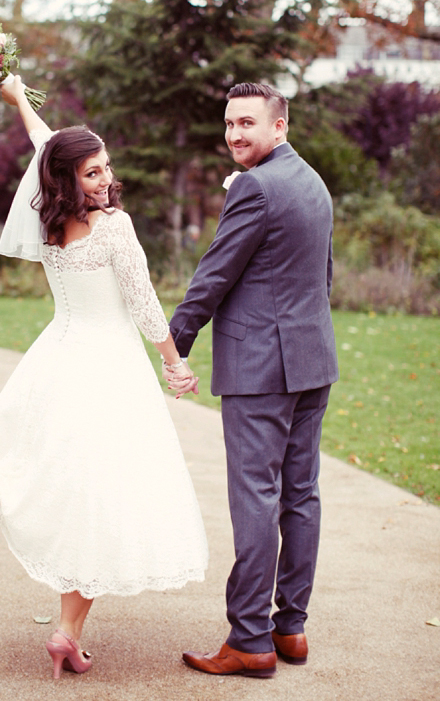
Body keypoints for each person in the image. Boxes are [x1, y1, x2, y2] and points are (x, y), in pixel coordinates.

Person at [0, 76, 208, 679]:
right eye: (92, 173)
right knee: (99, 498)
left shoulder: (52, 217)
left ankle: (62, 626)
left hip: (56, 355)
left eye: (106, 165)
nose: (105, 178)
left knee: (72, 484)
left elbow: (45, 142)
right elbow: (143, 305)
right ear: (68, 178)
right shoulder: (113, 227)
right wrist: (175, 362)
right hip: (108, 370)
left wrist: (16, 97)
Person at [166, 82, 338, 679]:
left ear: (279, 127)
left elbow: (213, 275)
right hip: (311, 361)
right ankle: (290, 629)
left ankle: (249, 639)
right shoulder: (312, 181)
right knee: (301, 494)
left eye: (247, 123)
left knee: (257, 498)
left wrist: (172, 346)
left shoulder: (255, 188)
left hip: (261, 367)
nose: (235, 134)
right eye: (229, 123)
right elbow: (324, 275)